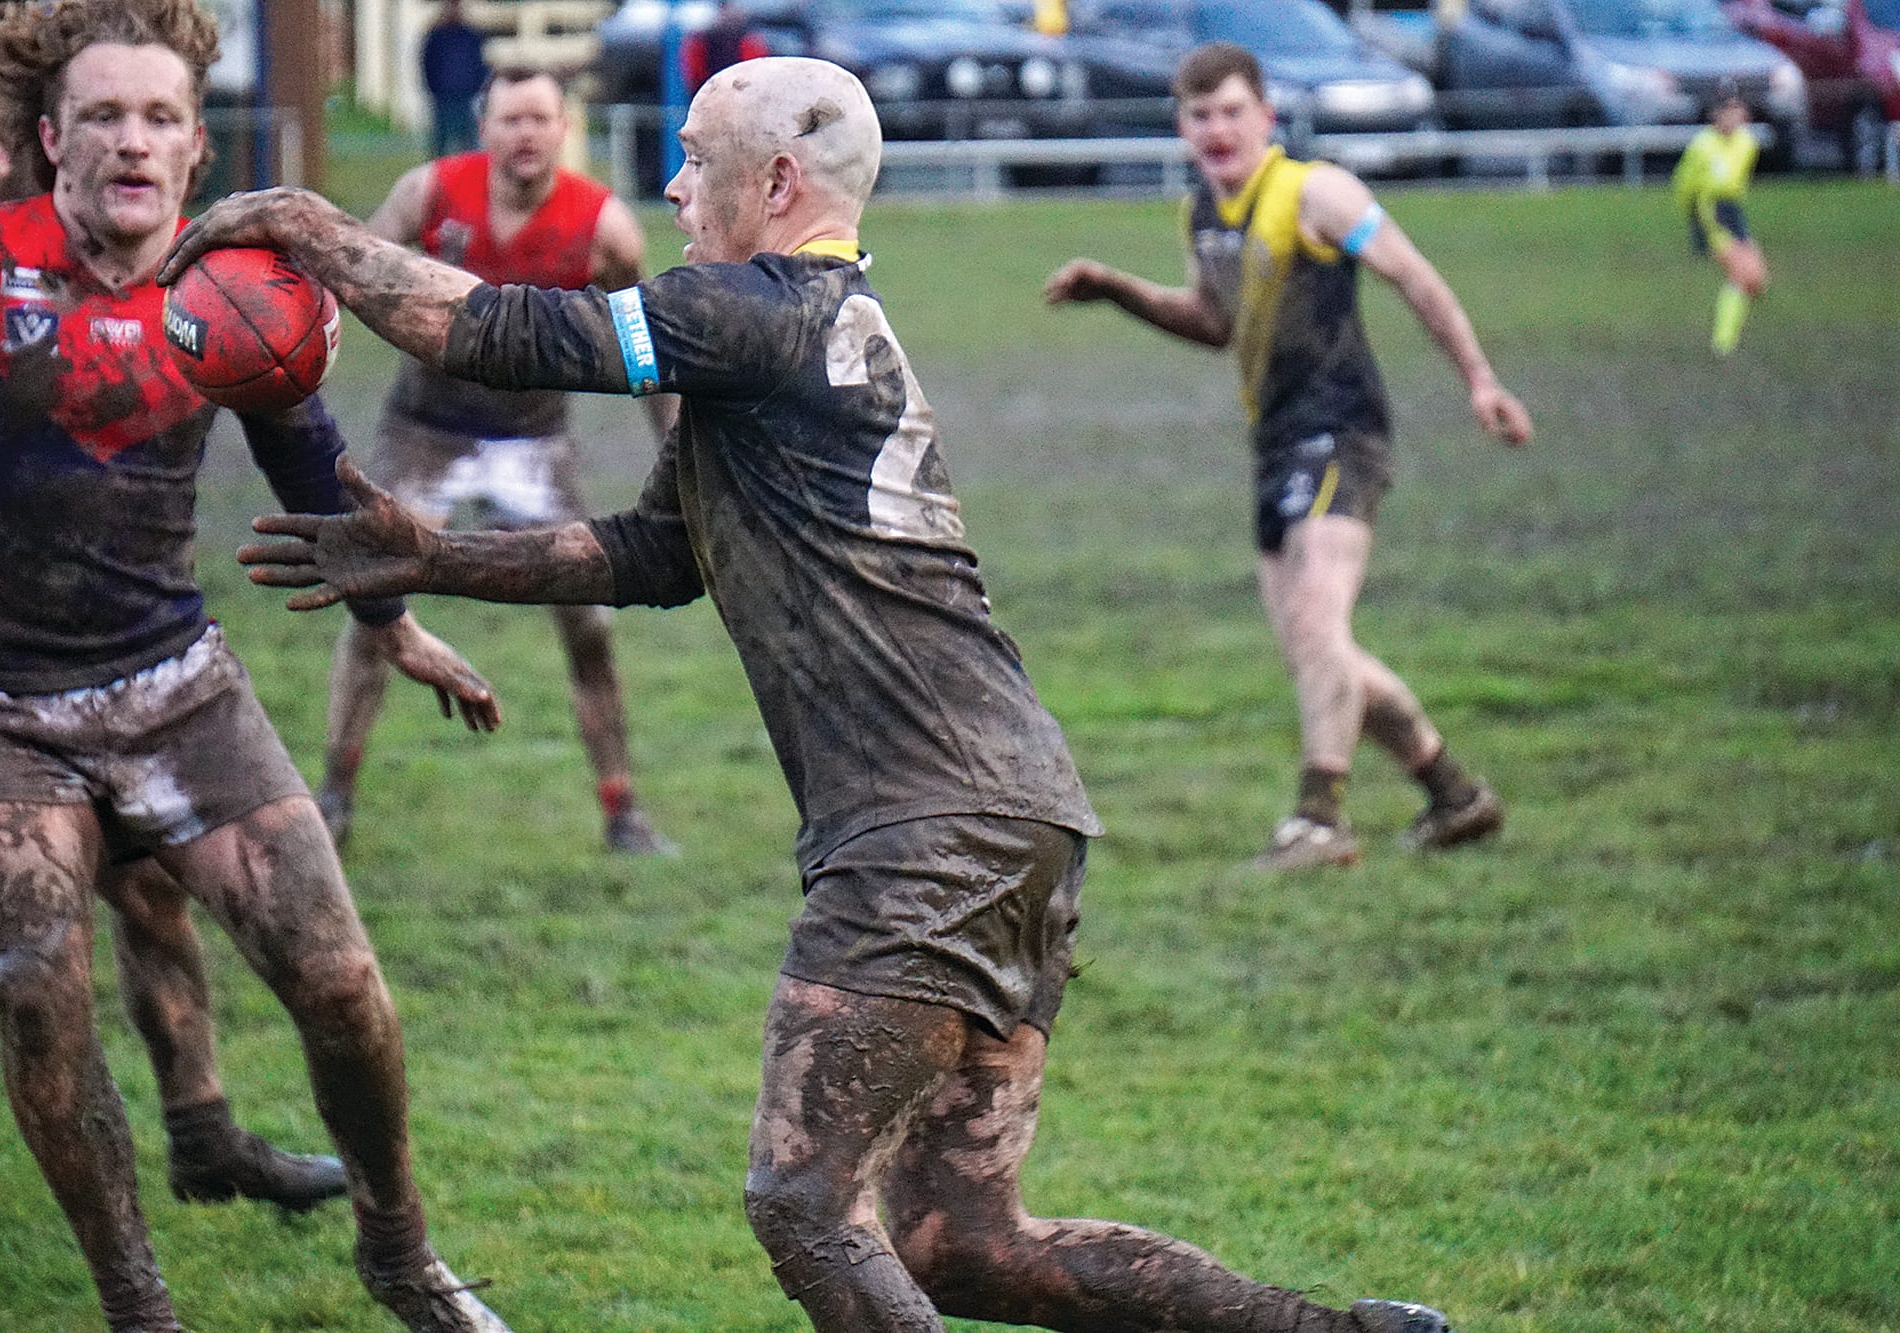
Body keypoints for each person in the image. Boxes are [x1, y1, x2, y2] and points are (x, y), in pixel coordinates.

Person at [175, 55, 1460, 1333]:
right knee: (965, 1246)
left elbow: (503, 329)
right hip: (1012, 817)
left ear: (777, 181)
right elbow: (659, 553)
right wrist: (438, 556)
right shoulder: (800, 338)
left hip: (926, 832)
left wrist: (307, 229)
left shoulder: (760, 313)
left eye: (695, 159)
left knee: (800, 1203)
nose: (672, 186)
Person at [0, 1, 513, 1329]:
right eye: (104, 115)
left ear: (195, 147)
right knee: (32, 997)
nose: (132, 139)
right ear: (48, 136)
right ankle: (141, 1308)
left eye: (161, 117)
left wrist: (397, 627)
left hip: (176, 686)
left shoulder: (227, 285)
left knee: (345, 985)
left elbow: (309, 470)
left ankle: (399, 1251)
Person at [1044, 42, 1532, 871]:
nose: (1217, 129)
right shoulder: (1204, 212)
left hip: (1343, 429)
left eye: (1232, 111)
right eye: (1200, 117)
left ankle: (1320, 818)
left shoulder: (1318, 192)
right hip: (1272, 439)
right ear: (1182, 127)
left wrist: (1480, 380)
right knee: (1320, 650)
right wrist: (1118, 292)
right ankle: (1454, 794)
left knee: (1316, 629)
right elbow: (1214, 320)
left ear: (1266, 116)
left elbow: (1414, 276)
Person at [317, 64, 676, 854]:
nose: (526, 134)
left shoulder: (606, 228)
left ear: (563, 130)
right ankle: (334, 798)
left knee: (590, 627)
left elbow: (650, 351)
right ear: (483, 128)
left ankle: (623, 811)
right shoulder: (431, 194)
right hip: (426, 430)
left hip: (535, 441)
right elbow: (346, 271)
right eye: (511, 119)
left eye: (541, 119)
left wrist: (679, 450)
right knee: (376, 610)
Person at [1673, 82, 1767, 357]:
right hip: (1709, 210)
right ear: (1715, 114)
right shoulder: (1702, 147)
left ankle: (1726, 334)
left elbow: (1738, 183)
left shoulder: (1747, 143)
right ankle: (1723, 342)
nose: (1734, 115)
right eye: (1727, 109)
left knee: (1757, 279)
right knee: (1742, 272)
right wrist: (1695, 224)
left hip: (1733, 211)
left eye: (1737, 108)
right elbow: (1683, 186)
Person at [420, 0, 489, 158]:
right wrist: (434, 91)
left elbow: (480, 65)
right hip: (443, 100)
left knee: (470, 147)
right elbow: (427, 65)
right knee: (441, 147)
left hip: (467, 99)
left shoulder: (471, 36)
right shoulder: (436, 37)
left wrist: (476, 89)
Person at [678, 2, 767, 93]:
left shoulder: (748, 40)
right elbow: (695, 76)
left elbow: (755, 74)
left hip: (742, 92)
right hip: (708, 92)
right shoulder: (701, 41)